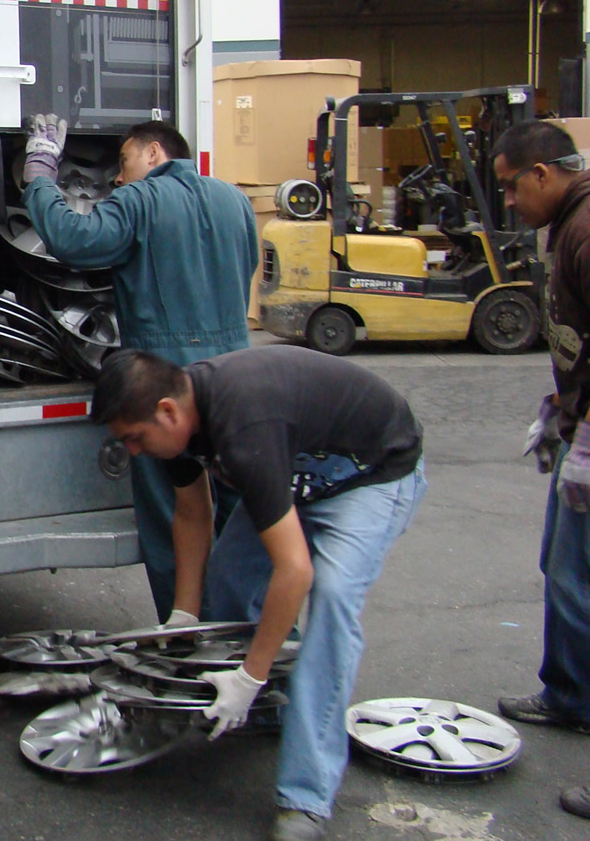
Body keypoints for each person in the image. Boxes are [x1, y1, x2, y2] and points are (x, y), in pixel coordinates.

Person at [92, 345, 426, 841]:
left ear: (167, 411)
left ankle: (305, 798)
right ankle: (266, 709)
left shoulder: (243, 425)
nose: (134, 451)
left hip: (370, 476)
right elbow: (192, 513)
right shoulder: (176, 422)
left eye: (136, 439)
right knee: (229, 575)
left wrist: (250, 673)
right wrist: (184, 616)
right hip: (296, 474)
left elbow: (294, 572)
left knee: (333, 601)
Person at [21, 116, 259, 624]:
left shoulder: (141, 200)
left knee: (176, 516)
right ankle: (255, 644)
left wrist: (40, 171)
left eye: (124, 163)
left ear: (154, 154)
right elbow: (247, 268)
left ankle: (188, 640)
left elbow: (73, 239)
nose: (119, 179)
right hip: (239, 379)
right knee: (248, 517)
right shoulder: (235, 200)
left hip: (163, 384)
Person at [489, 121, 590, 821]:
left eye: (510, 186)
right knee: (564, 568)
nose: (509, 202)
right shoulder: (573, 223)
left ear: (543, 174)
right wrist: (564, 406)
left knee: (580, 577)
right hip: (582, 421)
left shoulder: (586, 230)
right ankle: (570, 692)